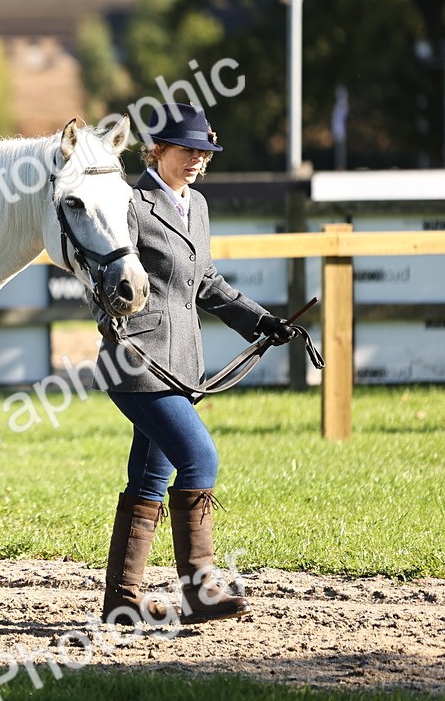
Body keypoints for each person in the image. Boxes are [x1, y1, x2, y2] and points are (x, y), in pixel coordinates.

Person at [90, 103, 297, 626]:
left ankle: (122, 598)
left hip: (182, 365)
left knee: (150, 477)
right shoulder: (130, 205)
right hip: (137, 363)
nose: (198, 161)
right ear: (156, 150)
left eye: (204, 153)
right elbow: (103, 278)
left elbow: (205, 283)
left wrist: (260, 321)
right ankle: (200, 588)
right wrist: (112, 322)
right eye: (188, 151)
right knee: (200, 460)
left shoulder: (196, 206)